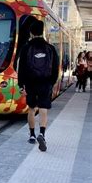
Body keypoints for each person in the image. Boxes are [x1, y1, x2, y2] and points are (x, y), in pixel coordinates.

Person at [18, 19, 59, 152]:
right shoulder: (51, 48)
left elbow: (21, 68)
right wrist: (51, 83)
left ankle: (31, 135)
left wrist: (21, 85)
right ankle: (42, 133)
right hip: (45, 83)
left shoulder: (25, 48)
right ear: (42, 32)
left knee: (31, 108)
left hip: (30, 83)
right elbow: (55, 69)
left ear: (31, 32)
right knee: (43, 109)